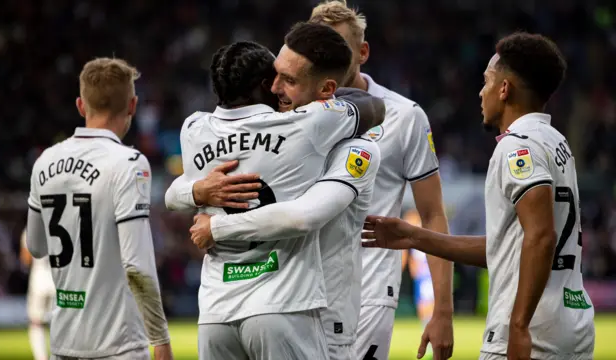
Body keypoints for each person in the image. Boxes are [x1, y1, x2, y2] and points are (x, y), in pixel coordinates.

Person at [362, 32, 595, 360]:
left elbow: (542, 237)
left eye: (487, 80)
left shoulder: (518, 145)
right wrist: (415, 236)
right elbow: (506, 250)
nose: (481, 90)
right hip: (571, 321)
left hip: (531, 331)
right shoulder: (556, 142)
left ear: (504, 89)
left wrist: (518, 326)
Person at [166, 25, 385, 360]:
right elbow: (371, 105)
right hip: (285, 305)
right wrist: (197, 197)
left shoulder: (194, 128)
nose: (277, 87)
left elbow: (172, 193)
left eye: (288, 79)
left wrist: (196, 193)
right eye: (274, 77)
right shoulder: (303, 125)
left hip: (215, 312)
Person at [309, 2, 454, 359]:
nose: (328, 57)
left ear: (363, 52)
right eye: (319, 49)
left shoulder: (405, 117)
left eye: (339, 48)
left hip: (370, 290)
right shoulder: (294, 112)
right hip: (300, 286)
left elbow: (433, 214)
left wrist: (443, 310)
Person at [25, 58, 173, 360]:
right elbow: (137, 264)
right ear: (132, 105)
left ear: (81, 105)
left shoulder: (45, 162)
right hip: (118, 345)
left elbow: (36, 247)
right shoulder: (129, 164)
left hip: (64, 343)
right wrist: (159, 338)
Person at [20, 227, 56, 360]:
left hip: (39, 282)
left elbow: (26, 259)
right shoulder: (65, 222)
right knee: (58, 322)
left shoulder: (30, 229)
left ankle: (41, 357)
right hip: (58, 281)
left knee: (36, 322)